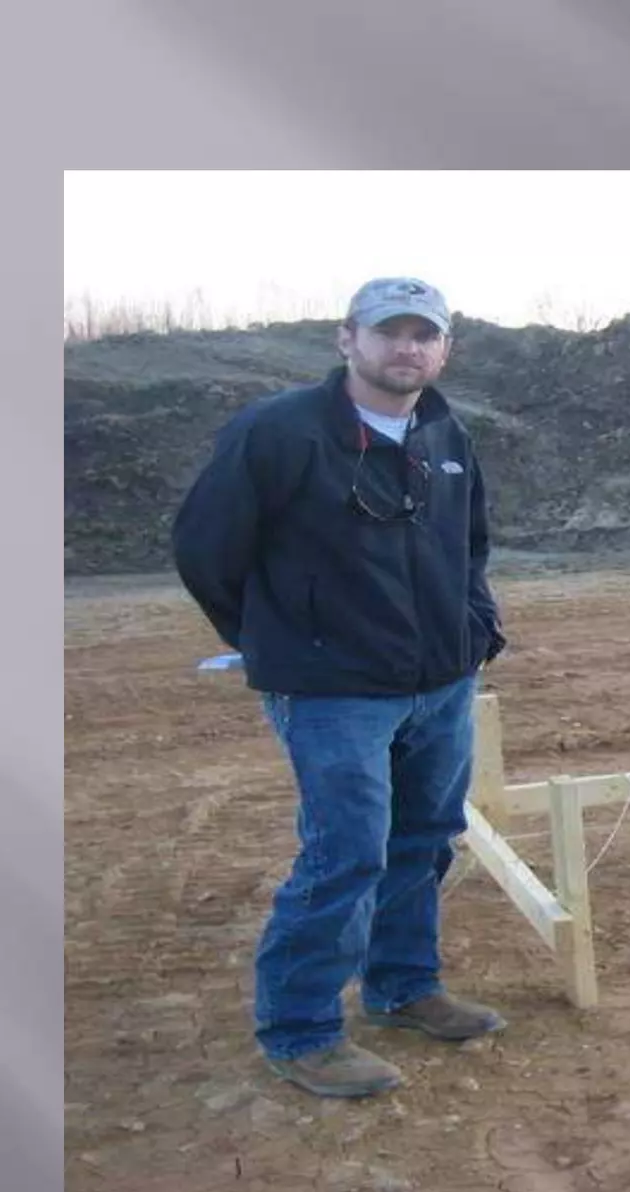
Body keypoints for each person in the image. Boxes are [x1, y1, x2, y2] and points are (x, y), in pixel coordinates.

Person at [172, 277, 510, 1100]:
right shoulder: (279, 433)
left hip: (438, 685)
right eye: (389, 332)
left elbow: (471, 547)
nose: (407, 349)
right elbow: (204, 549)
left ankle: (402, 988)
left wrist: (475, 630)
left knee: (424, 839)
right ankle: (301, 1030)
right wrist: (281, 643)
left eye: (423, 335)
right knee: (345, 853)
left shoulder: (443, 431)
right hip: (333, 693)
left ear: (443, 348)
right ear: (346, 340)